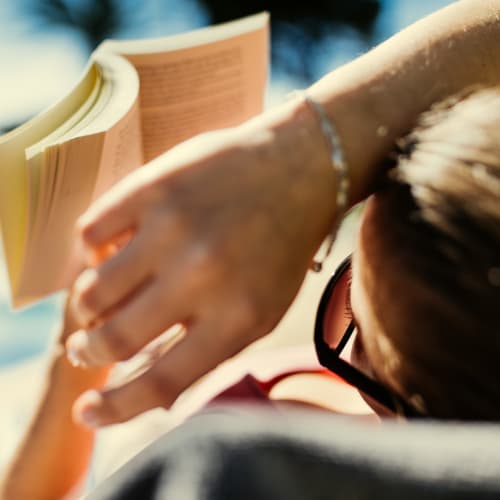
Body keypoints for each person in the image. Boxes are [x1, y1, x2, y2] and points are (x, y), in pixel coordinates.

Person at [62, 0, 500, 428]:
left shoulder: (245, 431)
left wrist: (77, 342)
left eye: (358, 334)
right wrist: (307, 146)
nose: (334, 360)